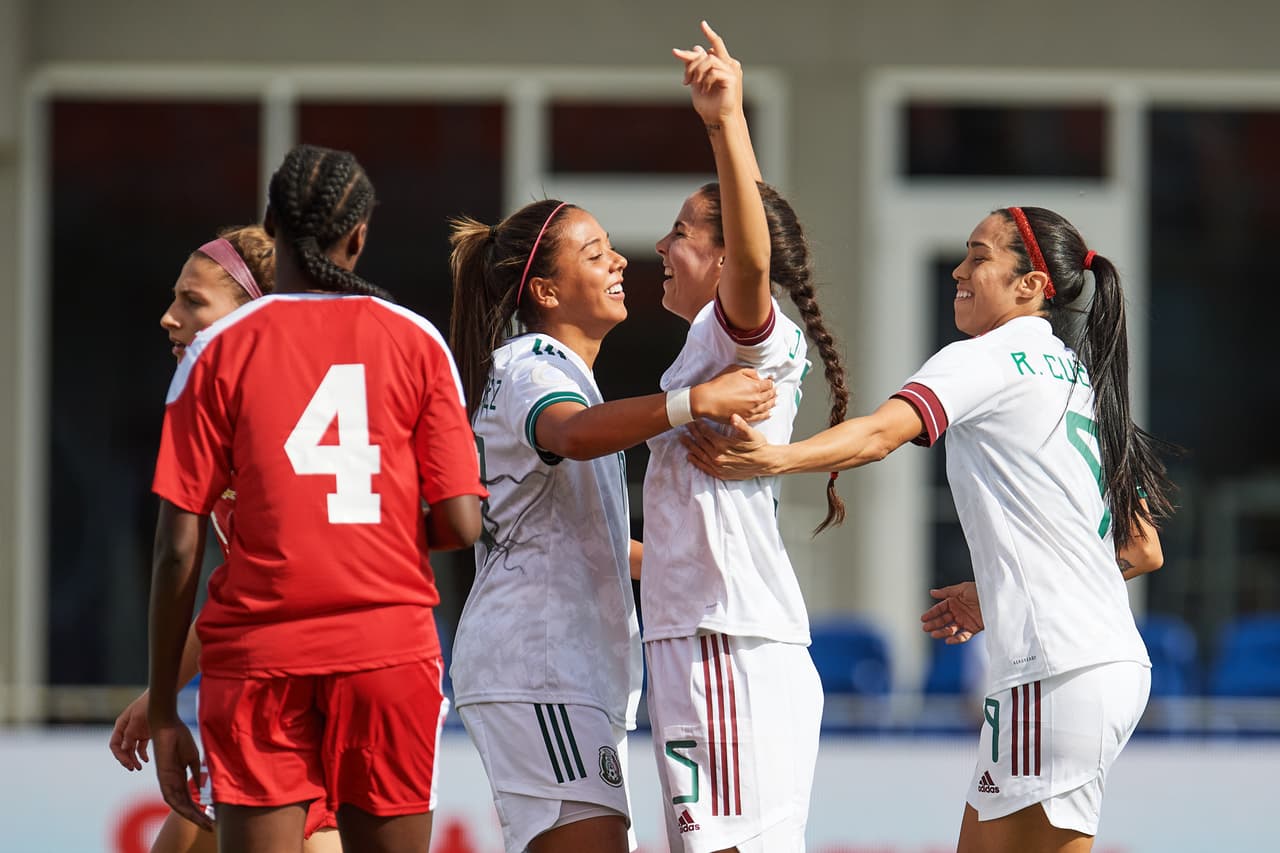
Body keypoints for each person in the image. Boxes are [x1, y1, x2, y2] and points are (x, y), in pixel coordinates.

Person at [684, 204, 1176, 853]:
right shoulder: (1082, 378)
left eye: (979, 256)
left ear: (1031, 285)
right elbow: (1142, 549)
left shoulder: (989, 356)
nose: (958, 270)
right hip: (1100, 662)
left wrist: (774, 458)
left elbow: (879, 433)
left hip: (1055, 667)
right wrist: (997, 591)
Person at [147, 143, 484, 853]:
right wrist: (369, 533)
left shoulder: (218, 349)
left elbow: (177, 548)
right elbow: (461, 522)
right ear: (358, 236)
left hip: (260, 661)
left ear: (271, 224)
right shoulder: (416, 340)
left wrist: (163, 707)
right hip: (388, 652)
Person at [446, 190, 776, 853]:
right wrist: (693, 400)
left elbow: (583, 537)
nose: (619, 261)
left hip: (563, 673)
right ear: (545, 290)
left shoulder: (557, 372)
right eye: (595, 254)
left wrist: (691, 566)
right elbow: (570, 434)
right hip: (538, 667)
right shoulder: (532, 366)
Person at [641, 22, 850, 853]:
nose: (661, 246)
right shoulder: (710, 343)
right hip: (705, 633)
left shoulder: (739, 334)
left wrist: (726, 121)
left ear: (724, 257)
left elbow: (752, 261)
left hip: (723, 638)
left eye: (682, 233)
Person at [109, 225, 343, 853]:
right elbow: (242, 589)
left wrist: (165, 704)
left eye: (192, 300)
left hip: (304, 685)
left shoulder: (264, 421)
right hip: (301, 677)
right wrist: (162, 692)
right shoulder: (263, 402)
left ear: (254, 315)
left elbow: (182, 557)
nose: (169, 317)